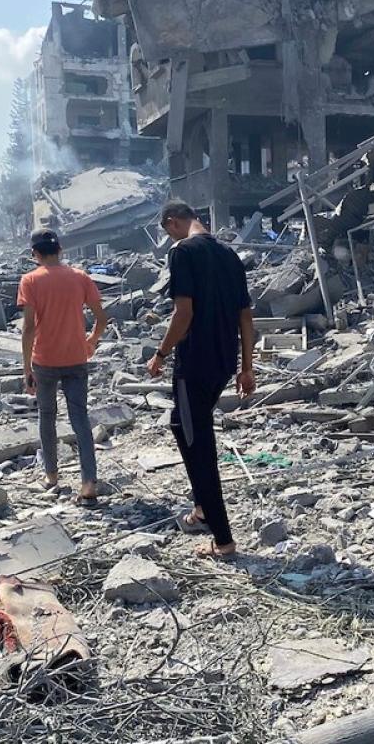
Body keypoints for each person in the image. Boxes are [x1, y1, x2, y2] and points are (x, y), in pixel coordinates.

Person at [148, 201, 256, 558]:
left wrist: (161, 353)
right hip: (224, 361)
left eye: (167, 231)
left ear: (173, 223)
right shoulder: (230, 256)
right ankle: (201, 507)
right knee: (184, 425)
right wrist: (246, 366)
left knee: (198, 443)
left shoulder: (182, 252)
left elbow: (183, 313)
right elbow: (245, 319)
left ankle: (223, 539)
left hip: (195, 362)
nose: (169, 237)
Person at [18, 228, 108, 505]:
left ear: (35, 254)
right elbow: (102, 318)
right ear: (60, 250)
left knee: (47, 416)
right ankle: (89, 481)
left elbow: (29, 328)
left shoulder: (30, 280)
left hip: (44, 360)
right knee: (80, 418)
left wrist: (26, 368)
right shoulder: (80, 277)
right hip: (76, 359)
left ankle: (51, 475)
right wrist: (91, 340)